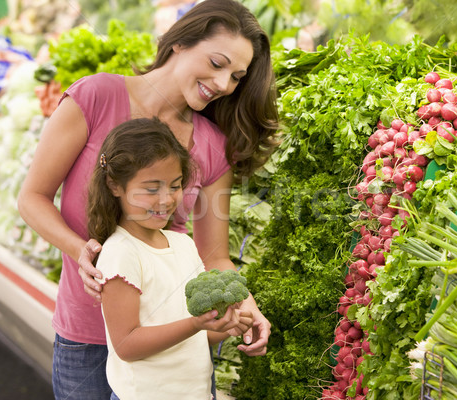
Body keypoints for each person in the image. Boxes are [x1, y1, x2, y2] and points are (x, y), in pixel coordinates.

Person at [17, 0, 278, 398]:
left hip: (171, 343)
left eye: (237, 76)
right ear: (180, 43)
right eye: (217, 63)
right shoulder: (95, 96)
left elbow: (214, 255)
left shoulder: (213, 146)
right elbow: (33, 197)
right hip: (85, 338)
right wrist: (80, 250)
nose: (224, 84)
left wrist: (244, 300)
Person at [87, 117, 251, 400]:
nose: (166, 199)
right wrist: (196, 324)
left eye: (175, 186)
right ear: (115, 185)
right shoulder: (120, 253)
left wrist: (224, 326)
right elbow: (126, 345)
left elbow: (193, 339)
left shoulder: (182, 243)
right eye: (152, 189)